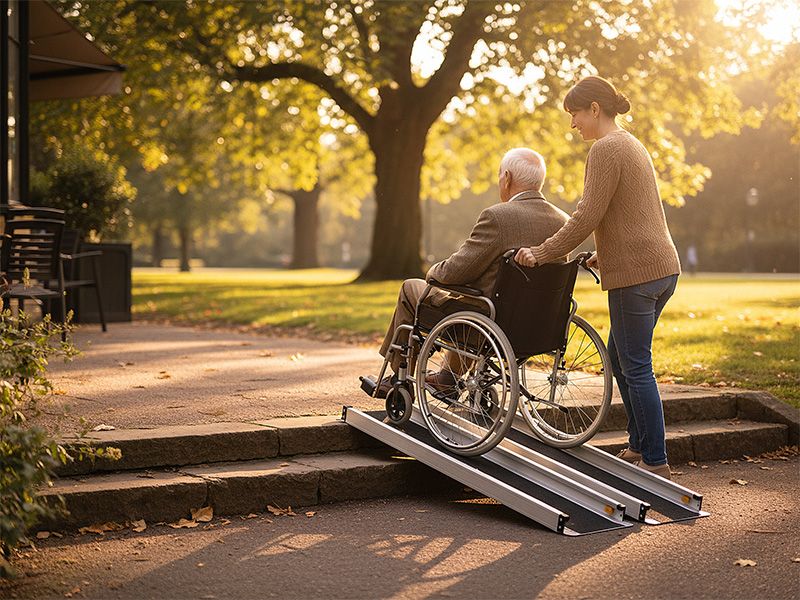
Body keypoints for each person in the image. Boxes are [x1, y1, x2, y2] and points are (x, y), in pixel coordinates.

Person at [515, 76, 680, 480]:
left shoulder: (606, 149)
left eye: (574, 113)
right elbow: (632, 215)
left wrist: (541, 252)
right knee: (621, 359)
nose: (573, 124)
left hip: (636, 279)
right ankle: (640, 447)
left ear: (593, 109)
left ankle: (656, 461)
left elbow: (587, 215)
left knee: (636, 365)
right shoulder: (632, 143)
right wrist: (602, 255)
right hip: (661, 270)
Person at [376, 147, 569, 396]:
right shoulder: (562, 221)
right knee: (472, 301)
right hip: (539, 327)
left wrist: (434, 270)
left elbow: (454, 273)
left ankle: (399, 376)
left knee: (412, 288)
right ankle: (447, 377)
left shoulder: (498, 217)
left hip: (489, 323)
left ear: (507, 178)